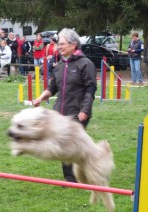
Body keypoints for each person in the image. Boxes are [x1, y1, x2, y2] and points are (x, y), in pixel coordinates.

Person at [33, 28, 97, 183]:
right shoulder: (60, 65)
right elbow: (53, 87)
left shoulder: (85, 64)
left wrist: (85, 110)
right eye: (58, 44)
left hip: (78, 112)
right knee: (65, 145)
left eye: (62, 44)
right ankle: (78, 173)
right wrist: (40, 98)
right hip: (59, 113)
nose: (58, 47)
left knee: (67, 144)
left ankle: (73, 178)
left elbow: (90, 89)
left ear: (73, 44)